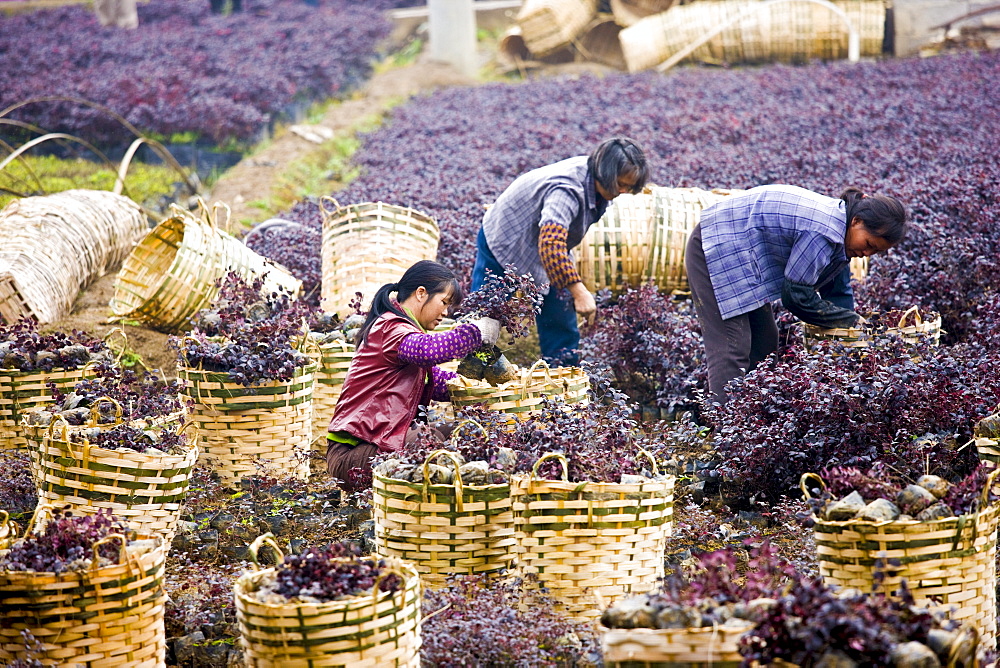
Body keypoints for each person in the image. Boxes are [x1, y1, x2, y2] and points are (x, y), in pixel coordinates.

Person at [685, 185, 908, 405]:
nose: (866, 254)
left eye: (875, 251)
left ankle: (753, 415)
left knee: (764, 342)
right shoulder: (823, 231)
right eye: (868, 244)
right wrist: (849, 320)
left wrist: (851, 335)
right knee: (733, 346)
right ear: (856, 221)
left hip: (743, 254)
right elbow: (795, 295)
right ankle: (725, 428)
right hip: (716, 243)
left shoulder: (842, 234)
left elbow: (837, 292)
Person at [471, 137, 650, 365]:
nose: (623, 190)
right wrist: (580, 291)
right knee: (485, 317)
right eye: (620, 184)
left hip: (543, 246)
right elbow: (551, 244)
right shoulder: (567, 188)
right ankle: (475, 377)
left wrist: (571, 287)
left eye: (629, 186)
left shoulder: (596, 180)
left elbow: (553, 246)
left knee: (561, 317)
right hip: (506, 241)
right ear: (605, 173)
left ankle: (562, 381)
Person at [326, 260, 500, 490]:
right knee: (429, 443)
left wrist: (475, 385)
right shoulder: (391, 327)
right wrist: (475, 333)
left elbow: (435, 382)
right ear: (421, 293)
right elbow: (427, 351)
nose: (446, 312)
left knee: (462, 430)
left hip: (378, 445)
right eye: (444, 302)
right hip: (354, 455)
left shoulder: (405, 332)